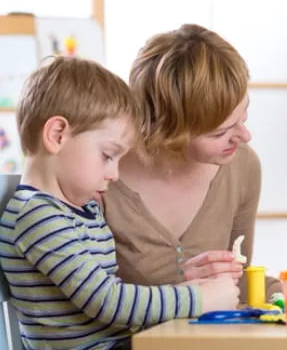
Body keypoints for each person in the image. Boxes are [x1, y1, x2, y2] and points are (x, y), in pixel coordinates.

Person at [0, 56, 239, 350]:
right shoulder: (37, 217)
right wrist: (197, 299)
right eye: (107, 155)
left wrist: (184, 290)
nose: (114, 174)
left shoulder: (80, 211)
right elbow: (108, 302)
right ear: (57, 135)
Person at [102, 24, 282, 299]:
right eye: (221, 132)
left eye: (243, 116)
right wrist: (182, 294)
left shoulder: (242, 166)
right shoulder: (101, 177)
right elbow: (92, 301)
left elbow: (240, 281)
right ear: (168, 131)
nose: (245, 136)